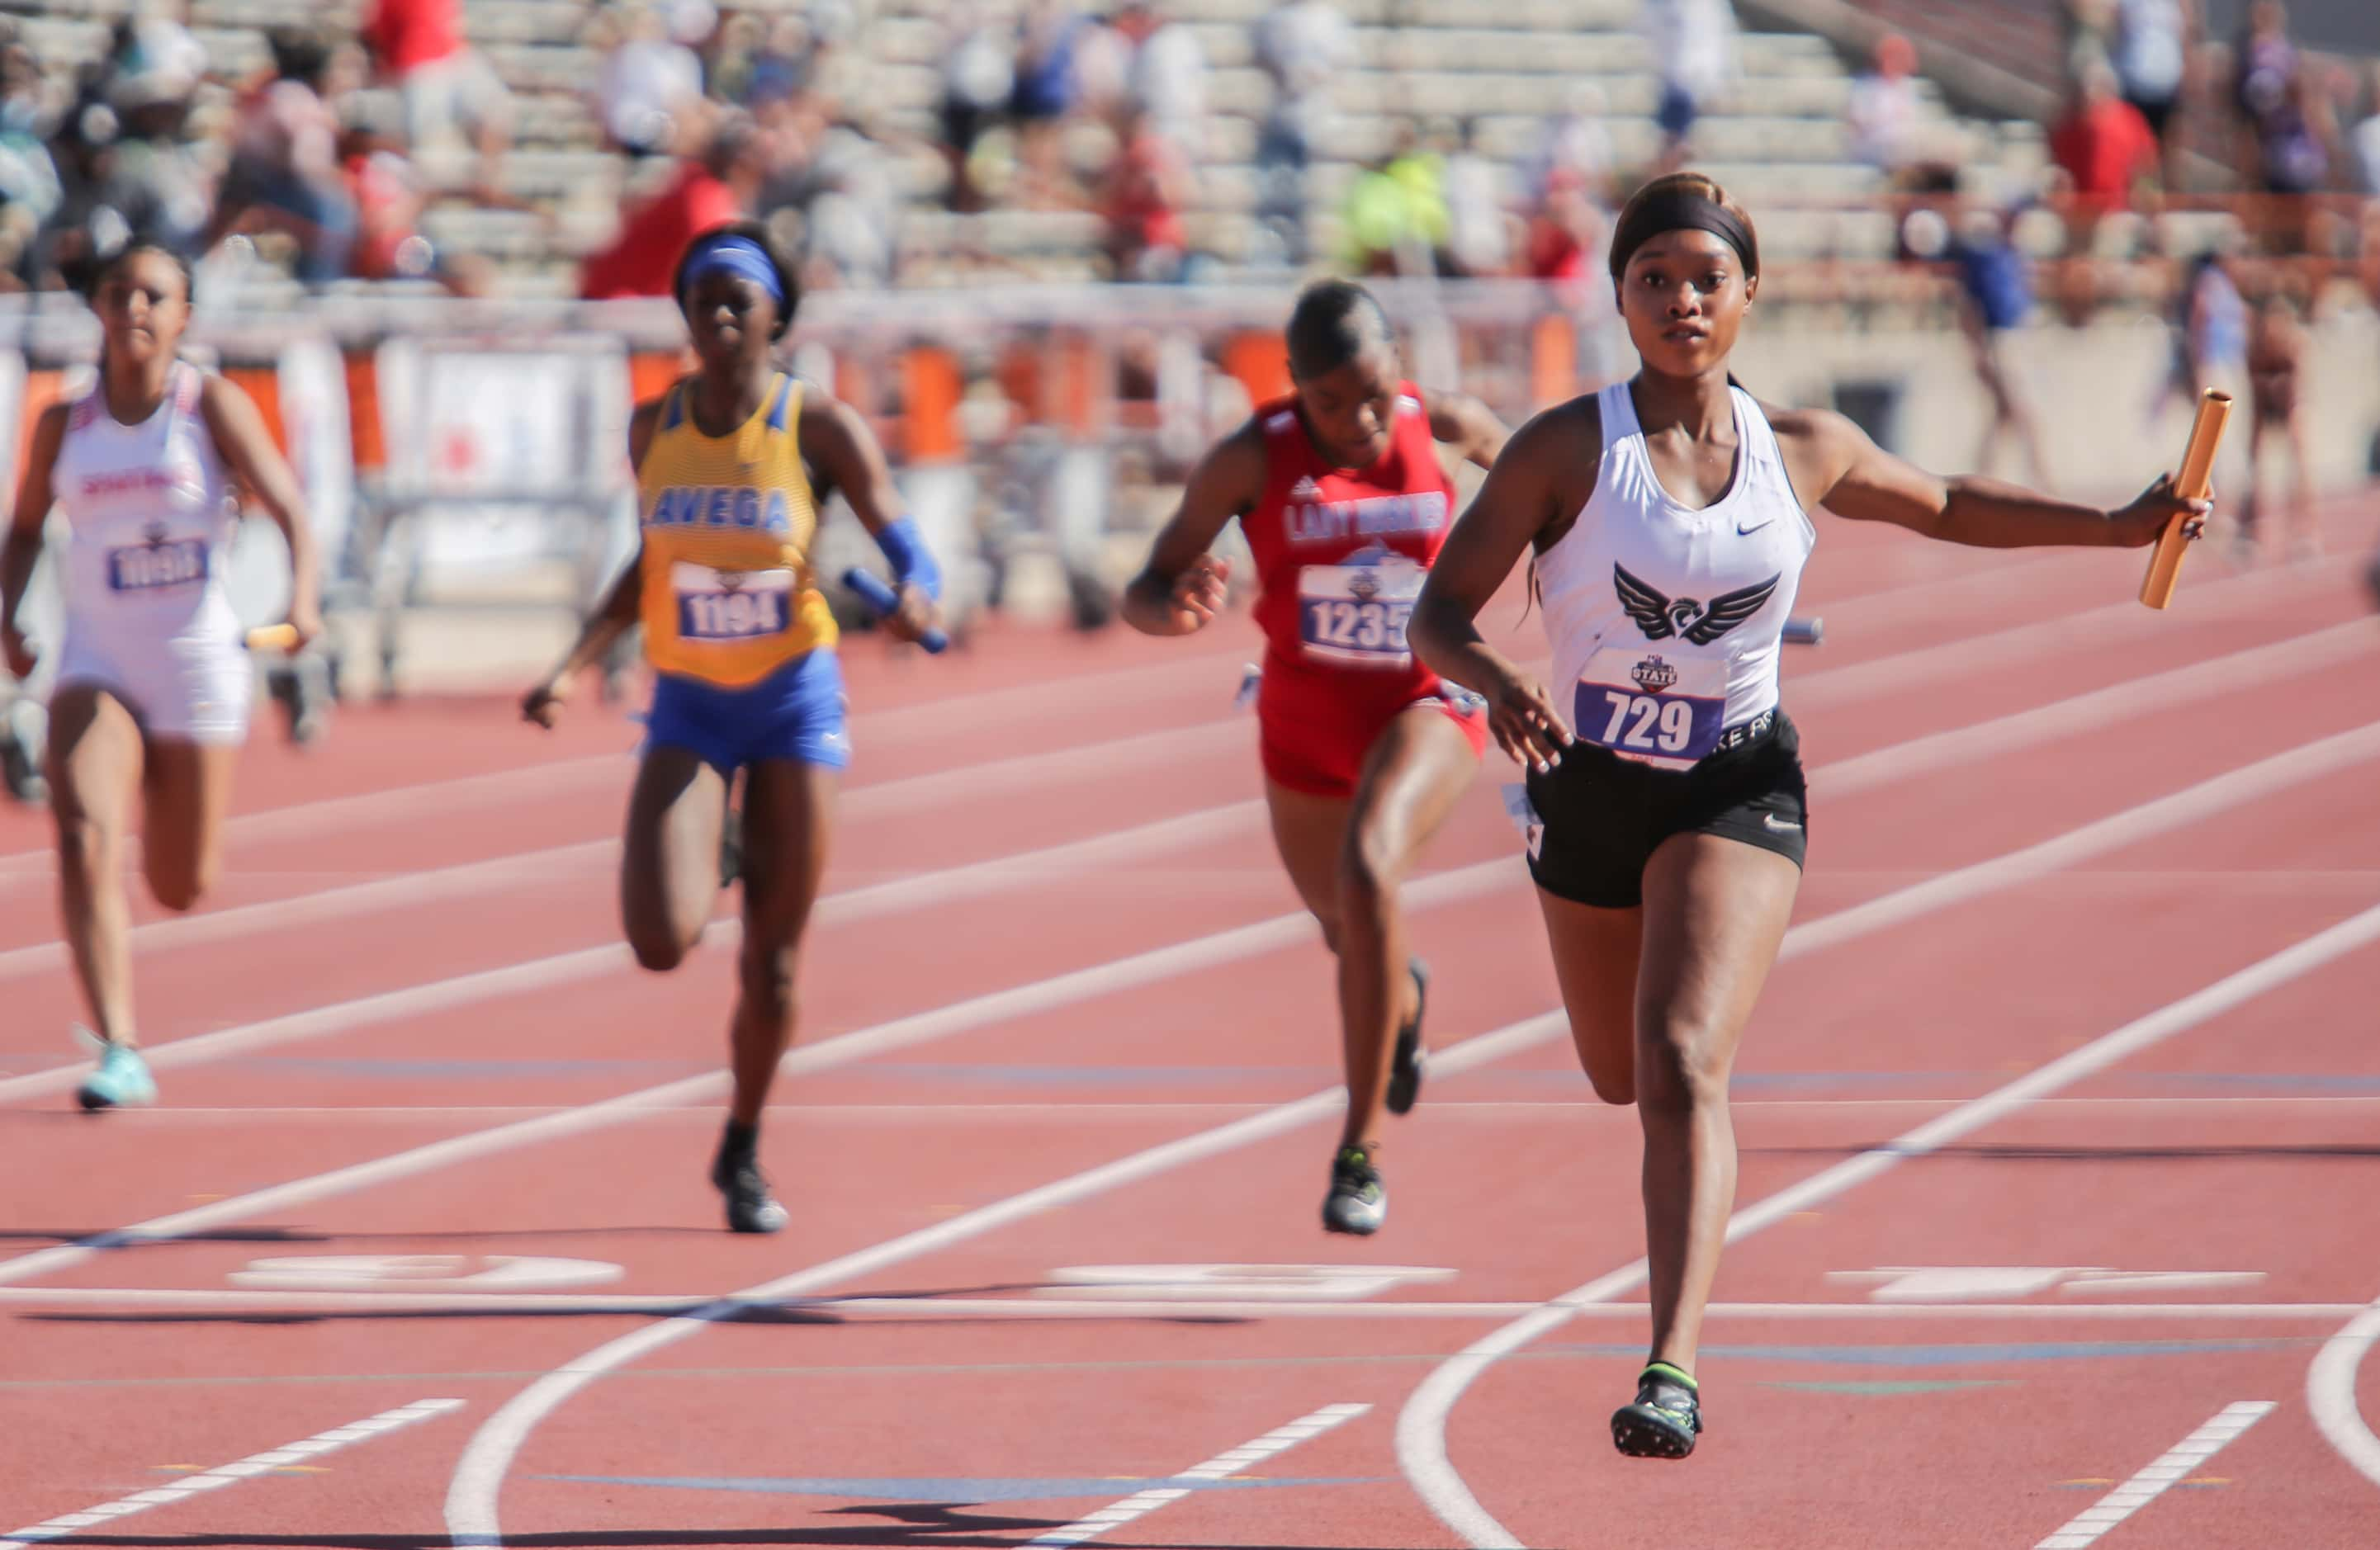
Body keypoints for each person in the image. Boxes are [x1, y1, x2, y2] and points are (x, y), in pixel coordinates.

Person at [1407, 172, 2207, 1458]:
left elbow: (1945, 501)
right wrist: (1496, 676)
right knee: (1616, 1075)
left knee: (1678, 1059)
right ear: (1617, 295)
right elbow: (1434, 613)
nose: (1680, 300)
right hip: (1588, 782)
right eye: (1654, 278)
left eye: (1704, 279)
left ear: (1747, 296)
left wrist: (2114, 527)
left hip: (1734, 782)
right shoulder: (1563, 447)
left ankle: (1669, 1362)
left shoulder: (1803, 447)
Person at [522, 222, 940, 1235]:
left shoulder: (818, 426)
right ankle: (726, 831)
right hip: (692, 704)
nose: (716, 315)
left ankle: (744, 1143)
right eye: (701, 298)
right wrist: (574, 665)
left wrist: (917, 594)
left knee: (777, 963)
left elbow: (904, 537)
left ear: (775, 318)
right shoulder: (651, 428)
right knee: (661, 938)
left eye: (735, 299)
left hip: (792, 703)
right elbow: (651, 562)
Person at [1121, 279, 1508, 1236]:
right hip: (1302, 720)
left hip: (1424, 699)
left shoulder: (1450, 427)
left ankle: (1358, 1152)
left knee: (1371, 870)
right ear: (1294, 388)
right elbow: (1146, 582)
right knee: (1351, 933)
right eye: (1329, 402)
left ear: (1401, 373)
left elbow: (1564, 495)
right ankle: (1403, 1004)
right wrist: (1167, 611)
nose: (1357, 421)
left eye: (1374, 395)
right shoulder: (1251, 457)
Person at [0, 242, 323, 1109]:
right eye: (119, 293)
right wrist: (10, 618)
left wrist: (307, 601)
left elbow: (289, 506)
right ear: (97, 309)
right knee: (81, 839)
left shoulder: (208, 405)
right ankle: (120, 1047)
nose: (135, 308)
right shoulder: (63, 424)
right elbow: (26, 526)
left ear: (184, 315)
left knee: (181, 885)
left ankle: (161, 800)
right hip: (97, 658)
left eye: (155, 295)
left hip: (197, 662)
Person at [2242, 287, 2315, 560]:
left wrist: (2285, 405)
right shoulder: (2254, 347)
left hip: (2291, 401)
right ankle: (2250, 527)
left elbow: (2297, 390)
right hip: (2264, 400)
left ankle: (2305, 530)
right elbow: (2253, 394)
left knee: (2300, 459)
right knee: (2253, 460)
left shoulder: (2295, 345)